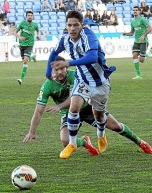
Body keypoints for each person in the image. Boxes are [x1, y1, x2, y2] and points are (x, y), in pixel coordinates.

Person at [23, 56, 152, 157]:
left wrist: (59, 106)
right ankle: (85, 142)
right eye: (56, 69)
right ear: (51, 71)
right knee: (65, 140)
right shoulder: (47, 86)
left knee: (116, 126)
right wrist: (32, 132)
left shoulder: (75, 75)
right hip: (68, 114)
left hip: (87, 108)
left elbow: (73, 98)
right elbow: (39, 111)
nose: (60, 72)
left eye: (62, 68)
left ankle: (140, 142)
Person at [47, 10, 116, 159]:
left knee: (99, 115)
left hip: (99, 82)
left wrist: (68, 63)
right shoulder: (65, 40)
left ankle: (101, 134)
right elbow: (53, 53)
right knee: (74, 107)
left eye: (75, 25)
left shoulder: (89, 36)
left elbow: (92, 57)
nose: (72, 28)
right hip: (82, 79)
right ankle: (72, 143)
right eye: (69, 25)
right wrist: (48, 72)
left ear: (82, 25)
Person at [122, 6, 152, 79]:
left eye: (136, 10)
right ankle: (139, 75)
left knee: (142, 60)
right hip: (136, 42)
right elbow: (132, 33)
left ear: (139, 11)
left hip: (143, 41)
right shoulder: (133, 22)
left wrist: (143, 35)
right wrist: (125, 34)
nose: (135, 11)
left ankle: (150, 52)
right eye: (134, 10)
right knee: (134, 56)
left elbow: (150, 28)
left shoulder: (142, 20)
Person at [14, 10, 40, 85]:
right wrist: (19, 37)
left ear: (33, 17)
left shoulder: (35, 25)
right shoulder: (22, 23)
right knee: (25, 60)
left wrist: (38, 35)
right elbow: (15, 32)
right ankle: (32, 57)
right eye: (29, 15)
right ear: (26, 16)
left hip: (30, 44)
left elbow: (38, 30)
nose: (30, 17)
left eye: (31, 15)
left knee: (25, 61)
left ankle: (21, 79)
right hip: (22, 44)